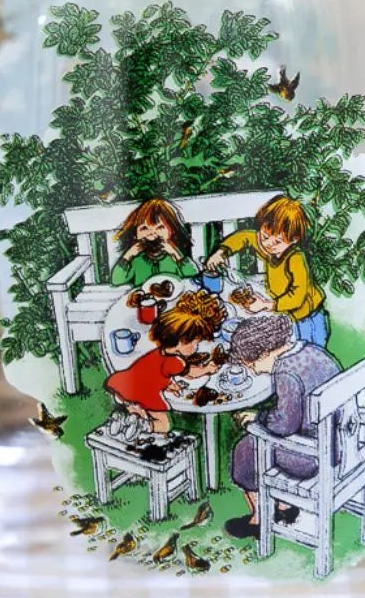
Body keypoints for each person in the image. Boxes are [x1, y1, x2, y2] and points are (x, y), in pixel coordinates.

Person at [224, 310, 341, 539]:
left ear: (266, 352)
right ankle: (284, 508)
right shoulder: (313, 352)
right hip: (338, 442)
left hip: (312, 457)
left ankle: (260, 518)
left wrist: (257, 418)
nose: (253, 370)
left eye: (252, 363)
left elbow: (284, 425)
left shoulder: (285, 371)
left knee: (245, 450)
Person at [205, 194, 328, 346]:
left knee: (311, 349)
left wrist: (266, 305)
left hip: (307, 314)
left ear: (294, 240)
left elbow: (297, 295)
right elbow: (243, 237)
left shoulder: (295, 257)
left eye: (277, 241)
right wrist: (222, 252)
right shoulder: (265, 246)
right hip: (285, 310)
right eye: (265, 236)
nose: (268, 244)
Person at [103, 288, 225, 436]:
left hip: (124, 387)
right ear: (180, 340)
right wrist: (207, 369)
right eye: (193, 342)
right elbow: (191, 373)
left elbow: (155, 373)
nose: (195, 347)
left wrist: (167, 384)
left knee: (135, 409)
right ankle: (144, 426)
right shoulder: (176, 362)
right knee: (165, 424)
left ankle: (123, 420)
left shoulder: (157, 352)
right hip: (142, 393)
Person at [109, 196, 202, 286]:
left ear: (172, 230)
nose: (152, 233)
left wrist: (176, 255)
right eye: (144, 228)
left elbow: (194, 275)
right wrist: (128, 256)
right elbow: (116, 280)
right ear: (135, 233)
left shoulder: (174, 257)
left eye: (160, 227)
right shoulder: (137, 260)